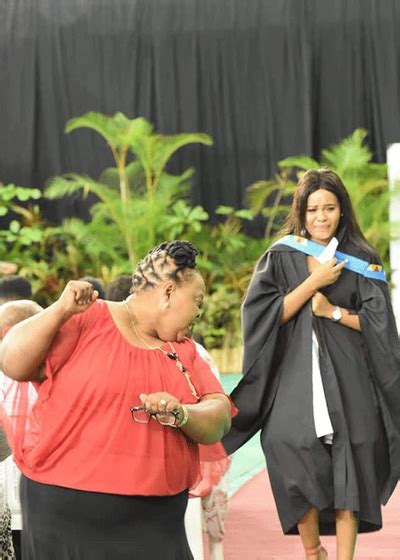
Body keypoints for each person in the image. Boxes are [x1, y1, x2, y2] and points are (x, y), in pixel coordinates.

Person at [0, 240, 235, 560]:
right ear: (168, 292)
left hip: (154, 523)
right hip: (68, 519)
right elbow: (12, 362)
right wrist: (60, 308)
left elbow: (219, 418)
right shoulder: (86, 318)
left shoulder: (182, 349)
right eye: (197, 301)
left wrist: (182, 414)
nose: (198, 312)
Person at [223, 169, 400, 560]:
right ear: (300, 213)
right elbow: (263, 316)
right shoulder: (281, 256)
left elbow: (380, 326)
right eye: (312, 209)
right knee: (287, 446)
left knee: (351, 459)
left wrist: (334, 312)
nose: (321, 217)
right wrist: (313, 281)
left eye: (329, 208)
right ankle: (312, 550)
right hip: (295, 378)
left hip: (350, 378)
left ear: (342, 210)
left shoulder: (361, 258)